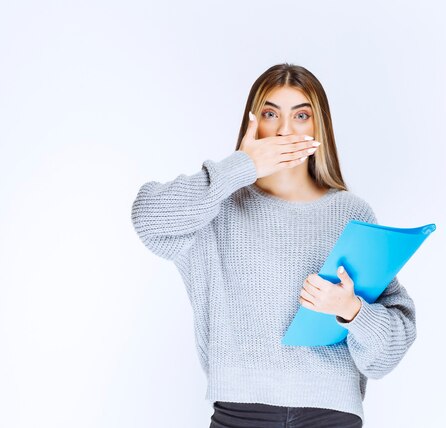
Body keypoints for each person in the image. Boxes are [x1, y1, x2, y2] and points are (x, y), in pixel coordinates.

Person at [130, 63, 417, 427]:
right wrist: (240, 167)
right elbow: (148, 218)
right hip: (240, 413)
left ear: (319, 127)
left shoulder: (351, 212)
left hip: (331, 415)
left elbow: (387, 353)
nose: (284, 130)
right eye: (270, 113)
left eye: (301, 115)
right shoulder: (216, 206)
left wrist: (353, 311)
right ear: (253, 123)